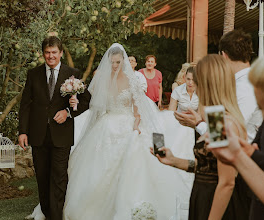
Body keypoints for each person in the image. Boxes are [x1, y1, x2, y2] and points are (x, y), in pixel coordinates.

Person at [63, 43, 194, 220]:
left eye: (118, 62)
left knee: (131, 163)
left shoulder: (132, 80)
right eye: (112, 62)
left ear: (123, 61)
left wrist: (136, 124)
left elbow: (138, 109)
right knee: (98, 167)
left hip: (127, 124)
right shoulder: (102, 81)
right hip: (106, 125)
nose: (115, 66)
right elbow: (94, 106)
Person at [152, 54, 250, 220]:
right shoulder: (215, 118)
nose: (194, 86)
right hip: (202, 196)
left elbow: (227, 182)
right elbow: (209, 168)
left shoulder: (219, 121)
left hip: (215, 204)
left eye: (198, 82)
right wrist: (174, 161)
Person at [18, 36, 90, 220]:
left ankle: (56, 217)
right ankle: (48, 213)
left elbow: (86, 101)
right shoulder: (33, 74)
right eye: (47, 53)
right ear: (43, 54)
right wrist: (23, 131)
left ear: (61, 54)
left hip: (61, 135)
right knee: (42, 178)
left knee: (58, 178)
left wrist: (68, 111)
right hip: (38, 134)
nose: (51, 56)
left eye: (54, 52)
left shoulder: (72, 73)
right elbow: (26, 104)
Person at [210, 51, 264, 220]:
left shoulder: (219, 118)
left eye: (263, 108)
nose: (263, 116)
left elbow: (227, 181)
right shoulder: (211, 114)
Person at [174, 29, 262, 143]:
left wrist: (198, 124)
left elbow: (223, 136)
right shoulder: (247, 81)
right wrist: (199, 120)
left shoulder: (244, 87)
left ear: (223, 55)